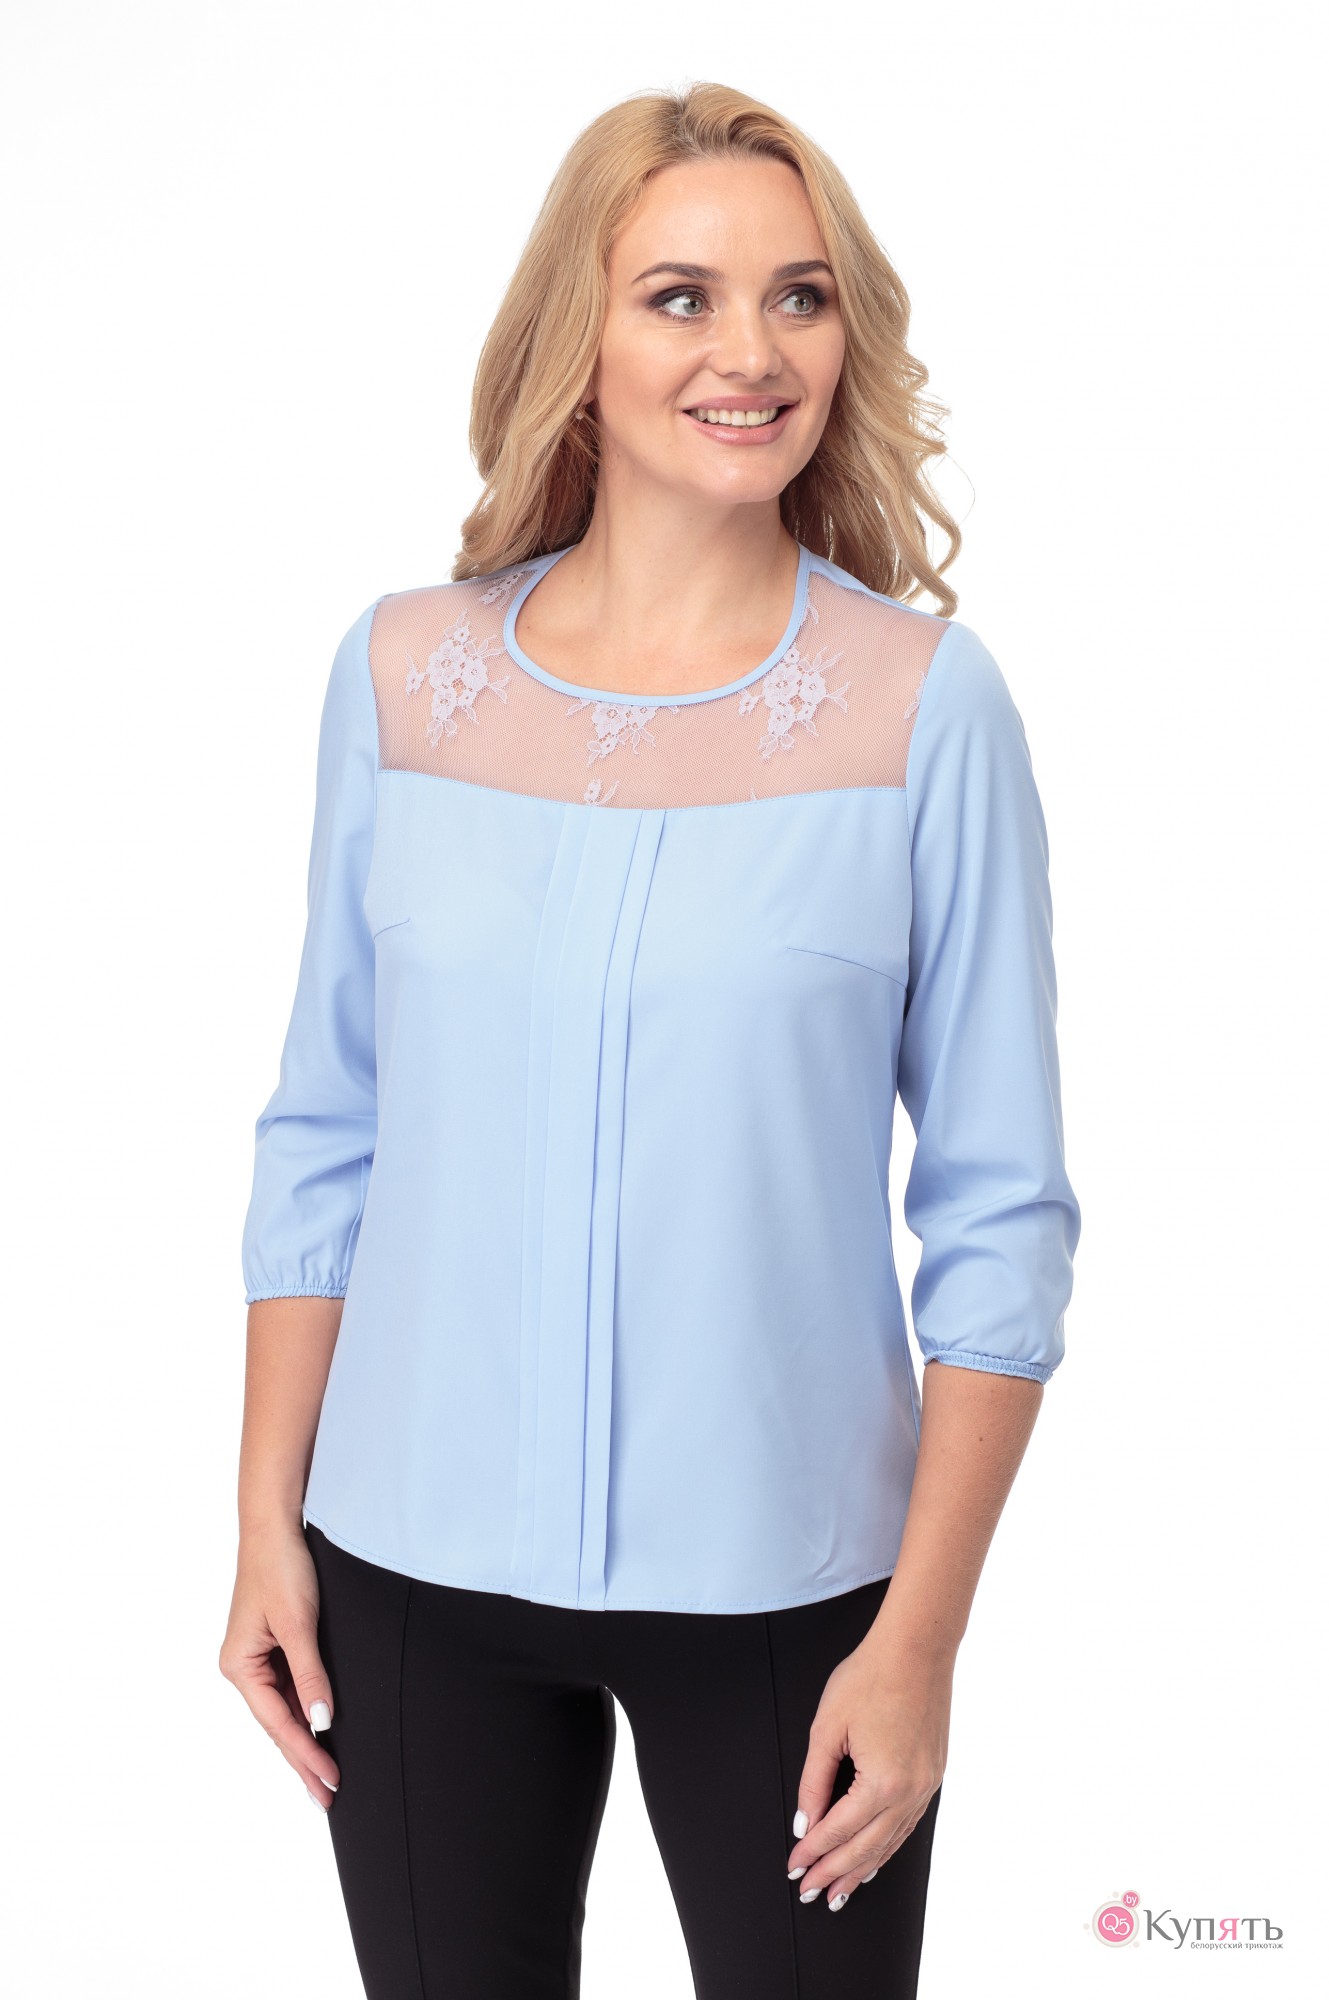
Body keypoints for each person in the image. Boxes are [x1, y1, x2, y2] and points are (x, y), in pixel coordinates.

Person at [219, 79, 1081, 2000]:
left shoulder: (923, 710)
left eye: (799, 296)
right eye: (681, 295)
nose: (748, 352)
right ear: (578, 337)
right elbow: (327, 1125)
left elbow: (1000, 1217)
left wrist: (920, 1640)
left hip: (791, 1590)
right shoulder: (404, 676)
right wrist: (266, 1519)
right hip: (405, 1573)